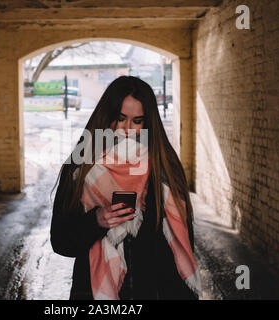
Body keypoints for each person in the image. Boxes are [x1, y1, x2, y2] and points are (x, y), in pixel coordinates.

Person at [50, 76, 201, 300]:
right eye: (120, 118)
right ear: (106, 116)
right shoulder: (80, 168)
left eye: (137, 121)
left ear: (148, 123)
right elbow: (60, 241)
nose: (128, 129)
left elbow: (184, 239)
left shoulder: (165, 169)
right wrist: (95, 221)